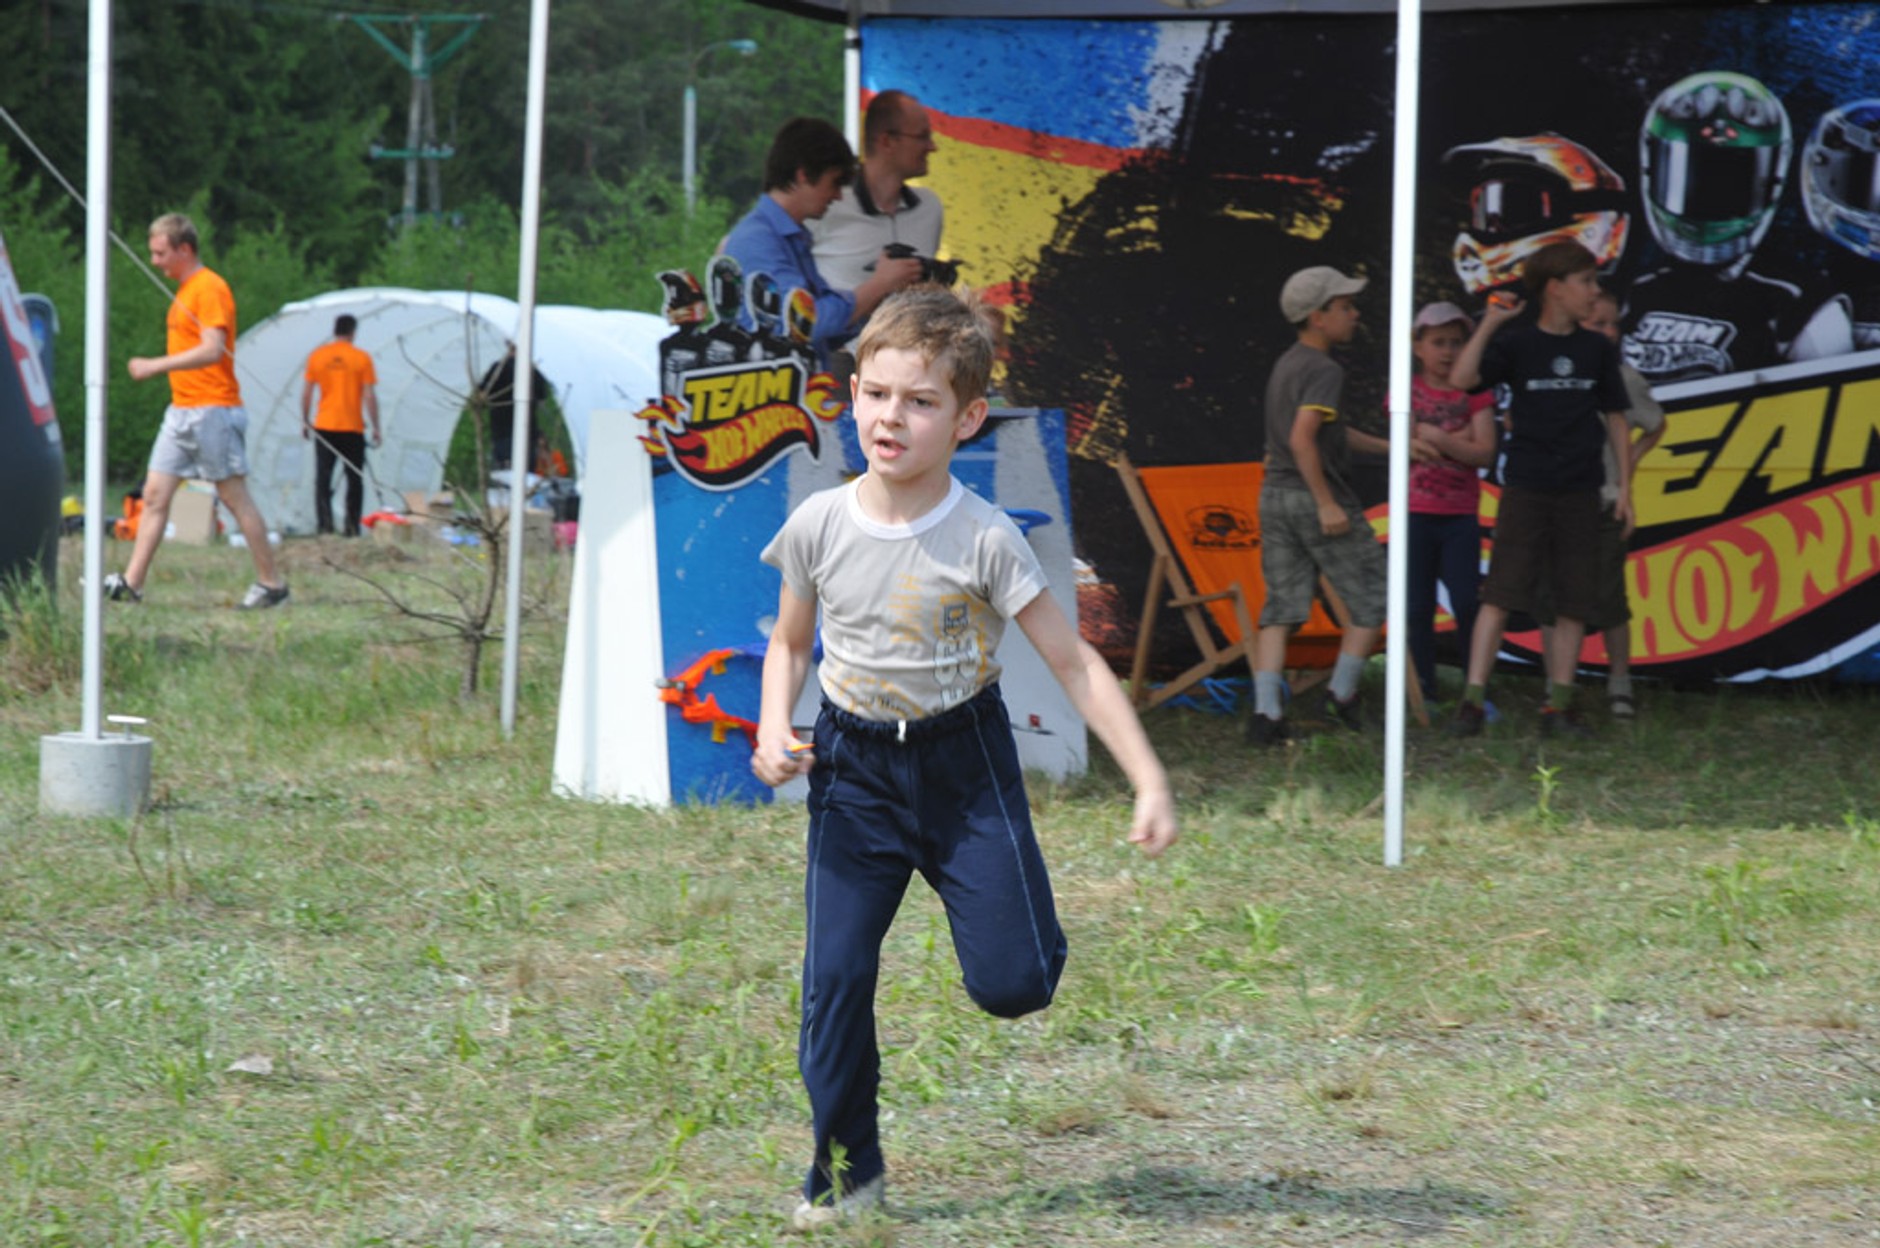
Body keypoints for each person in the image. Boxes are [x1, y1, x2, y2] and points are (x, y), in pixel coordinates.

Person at [750, 287, 1176, 1231]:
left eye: (920, 400)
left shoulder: (984, 535)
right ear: (851, 394)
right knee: (834, 982)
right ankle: (847, 1171)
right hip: (853, 772)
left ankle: (1023, 920)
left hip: (962, 768)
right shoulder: (819, 524)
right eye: (875, 394)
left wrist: (1146, 776)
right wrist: (773, 727)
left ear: (967, 416)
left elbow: (1073, 661)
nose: (890, 418)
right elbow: (788, 644)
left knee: (1014, 985)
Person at [1448, 241, 1632, 739]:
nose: (1595, 294)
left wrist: (1626, 491)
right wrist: (1489, 322)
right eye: (1587, 282)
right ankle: (1472, 701)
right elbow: (1462, 379)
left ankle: (1559, 706)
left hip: (1580, 489)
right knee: (1501, 593)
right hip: (1527, 487)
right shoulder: (1518, 343)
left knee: (1574, 600)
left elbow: (1617, 418)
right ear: (1555, 287)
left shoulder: (1596, 348)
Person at [1247, 266, 1406, 746]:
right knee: (1373, 597)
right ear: (1318, 317)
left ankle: (1266, 716)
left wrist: (1396, 446)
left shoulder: (1289, 363)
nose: (1354, 315)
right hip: (1310, 498)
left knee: (1282, 609)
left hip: (1273, 497)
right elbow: (1302, 440)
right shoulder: (1325, 369)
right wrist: (1326, 503)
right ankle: (1341, 697)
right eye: (1344, 306)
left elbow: (1329, 435)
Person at [108, 213, 287, 609]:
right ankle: (132, 584)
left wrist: (155, 365)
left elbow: (212, 348)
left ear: (184, 249)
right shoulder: (186, 290)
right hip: (181, 412)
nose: (154, 261)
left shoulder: (209, 288)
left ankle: (271, 584)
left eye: (160, 253)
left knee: (234, 498)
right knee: (154, 495)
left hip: (213, 411)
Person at [1534, 287, 1666, 719]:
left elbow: (1655, 424)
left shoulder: (1626, 378)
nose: (1608, 332)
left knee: (1609, 601)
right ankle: (1558, 689)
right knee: (1551, 600)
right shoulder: (1556, 371)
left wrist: (1629, 465)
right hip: (1554, 499)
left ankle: (1620, 682)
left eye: (1615, 324)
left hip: (1605, 502)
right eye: (1598, 323)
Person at [721, 117, 922, 370]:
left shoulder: (787, 236)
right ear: (803, 175)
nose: (838, 196)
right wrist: (878, 285)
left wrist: (884, 299)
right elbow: (803, 323)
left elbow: (824, 334)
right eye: (835, 183)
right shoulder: (756, 240)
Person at [1402, 301, 1499, 701]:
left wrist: (1440, 440)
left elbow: (1486, 452)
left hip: (1460, 515)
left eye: (1456, 343)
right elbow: (1405, 447)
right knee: (1417, 606)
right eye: (1438, 342)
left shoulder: (1474, 391)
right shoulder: (1406, 389)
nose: (1447, 352)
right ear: (1417, 346)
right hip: (1414, 514)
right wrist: (1460, 442)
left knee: (1466, 602)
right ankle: (1422, 687)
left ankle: (1476, 689)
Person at [809, 90, 945, 296]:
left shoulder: (930, 207)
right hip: (835, 328)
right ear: (887, 141)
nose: (932, 147)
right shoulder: (826, 203)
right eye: (922, 136)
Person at [301, 314, 381, 538]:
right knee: (354, 479)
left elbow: (307, 392)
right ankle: (351, 528)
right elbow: (369, 396)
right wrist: (376, 427)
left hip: (325, 425)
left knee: (323, 478)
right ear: (353, 332)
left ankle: (324, 526)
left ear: (334, 330)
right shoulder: (361, 358)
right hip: (352, 427)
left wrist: (305, 420)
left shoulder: (318, 356)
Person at [475, 343, 550, 471]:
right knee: (525, 476)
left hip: (502, 433)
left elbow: (482, 396)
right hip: (528, 433)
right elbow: (542, 399)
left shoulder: (498, 368)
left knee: (505, 477)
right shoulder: (533, 371)